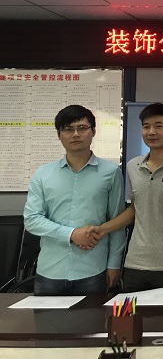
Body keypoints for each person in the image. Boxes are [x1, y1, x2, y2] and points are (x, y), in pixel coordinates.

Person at [97, 103, 163, 292]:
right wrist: (102, 229)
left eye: (158, 126)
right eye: (146, 126)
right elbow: (135, 209)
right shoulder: (133, 166)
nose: (151, 132)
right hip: (134, 263)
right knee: (132, 311)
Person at [23, 105, 126, 295]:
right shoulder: (43, 174)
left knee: (93, 316)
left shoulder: (111, 172)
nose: (76, 134)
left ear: (93, 131)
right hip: (50, 271)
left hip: (94, 269)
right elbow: (32, 219)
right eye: (68, 129)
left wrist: (114, 264)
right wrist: (71, 234)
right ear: (59, 135)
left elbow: (117, 222)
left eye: (82, 128)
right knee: (47, 316)